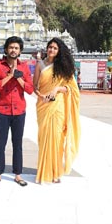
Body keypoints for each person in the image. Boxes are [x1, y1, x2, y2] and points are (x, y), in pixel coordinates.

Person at [33, 37, 81, 184]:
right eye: (50, 47)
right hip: (43, 105)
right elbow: (35, 86)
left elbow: (72, 89)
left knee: (57, 138)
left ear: (59, 51)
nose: (52, 50)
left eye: (55, 48)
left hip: (58, 105)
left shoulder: (63, 67)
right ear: (46, 48)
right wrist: (41, 96)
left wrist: (57, 89)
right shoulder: (40, 65)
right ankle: (44, 172)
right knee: (44, 138)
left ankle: (55, 172)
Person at [0, 36, 34, 187]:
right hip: (2, 110)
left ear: (20, 51)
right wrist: (9, 76)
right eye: (11, 47)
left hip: (19, 111)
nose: (13, 50)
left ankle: (18, 175)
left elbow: (29, 89)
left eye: (16, 48)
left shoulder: (25, 67)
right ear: (6, 49)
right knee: (0, 143)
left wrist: (18, 78)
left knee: (17, 143)